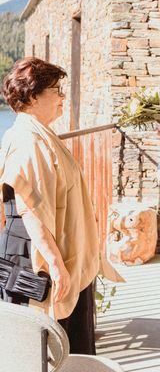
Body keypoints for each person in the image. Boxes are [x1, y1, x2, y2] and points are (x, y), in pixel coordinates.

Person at [0, 57, 121, 354]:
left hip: (50, 250)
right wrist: (55, 264)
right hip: (34, 256)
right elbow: (31, 209)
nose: (62, 96)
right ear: (32, 96)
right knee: (40, 348)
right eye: (55, 90)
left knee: (65, 345)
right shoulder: (28, 140)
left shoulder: (40, 134)